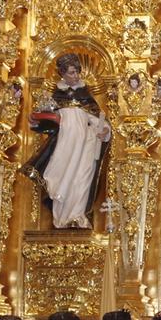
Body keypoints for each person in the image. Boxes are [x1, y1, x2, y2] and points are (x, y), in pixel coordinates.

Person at [23, 52, 111, 228]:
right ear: (62, 73)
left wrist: (105, 130)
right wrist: (35, 121)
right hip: (64, 144)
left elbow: (97, 119)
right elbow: (45, 121)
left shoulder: (85, 95)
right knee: (62, 179)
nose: (76, 75)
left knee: (82, 178)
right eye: (71, 72)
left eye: (77, 71)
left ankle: (77, 216)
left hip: (85, 145)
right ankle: (62, 219)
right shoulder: (56, 97)